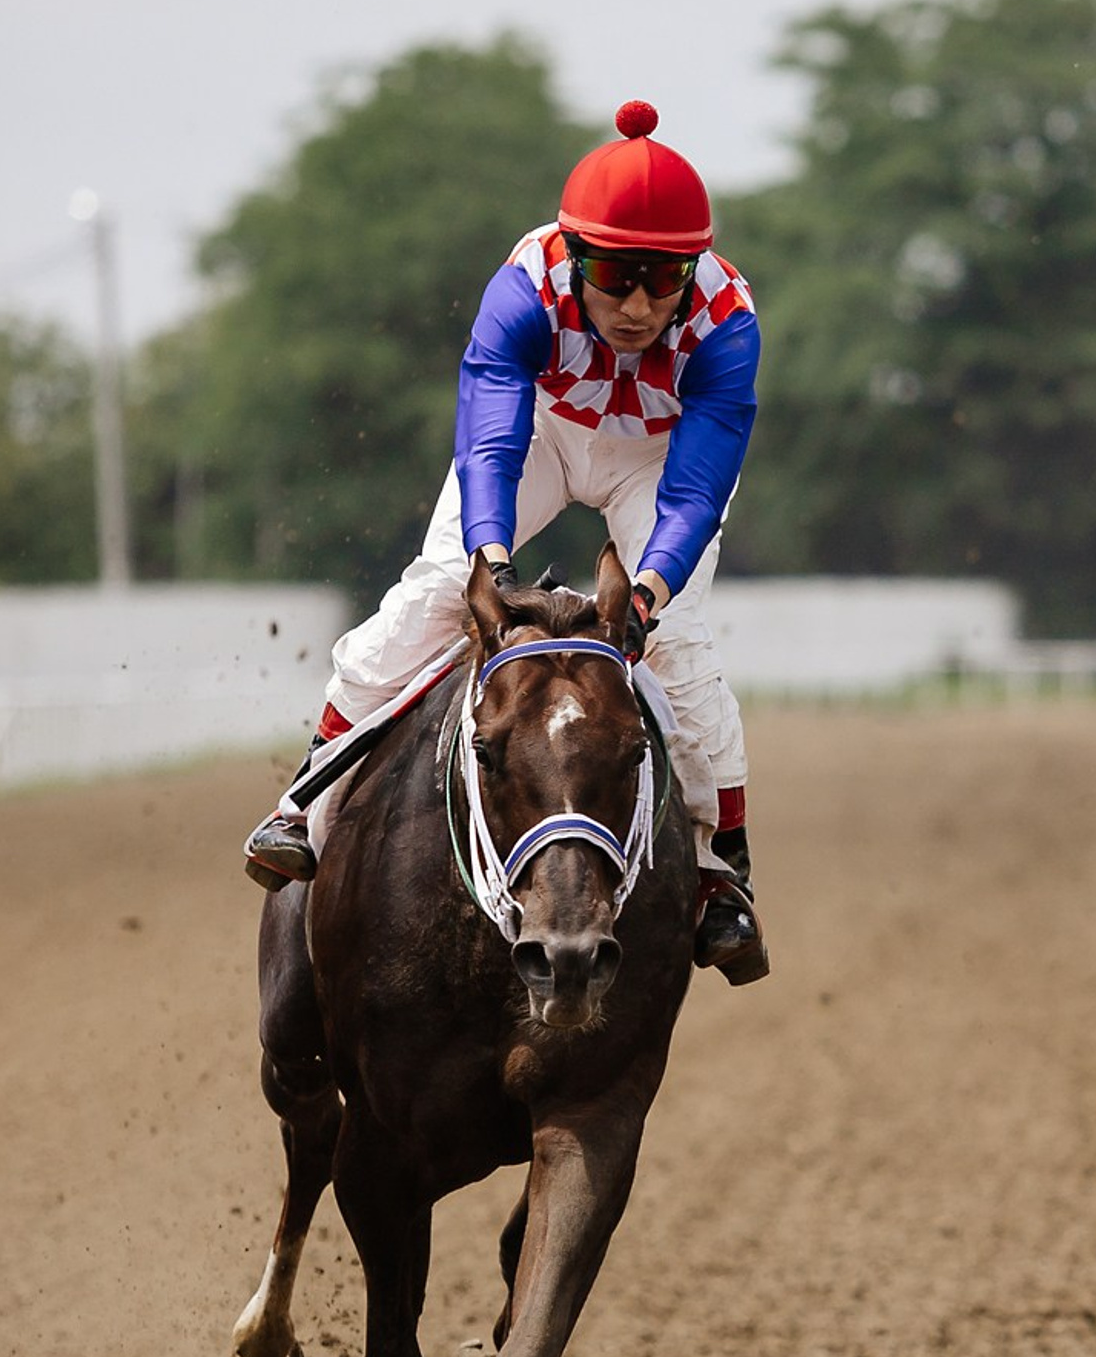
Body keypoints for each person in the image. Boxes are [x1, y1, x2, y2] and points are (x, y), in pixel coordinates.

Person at [242, 99, 771, 984]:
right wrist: (489, 555)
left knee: (676, 640)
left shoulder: (726, 319)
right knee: (440, 585)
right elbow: (489, 439)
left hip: (660, 458)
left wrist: (645, 597)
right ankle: (309, 801)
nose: (639, 304)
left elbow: (697, 486)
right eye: (615, 272)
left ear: (694, 268)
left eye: (664, 277)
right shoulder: (525, 284)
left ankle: (720, 874)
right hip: (542, 434)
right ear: (573, 255)